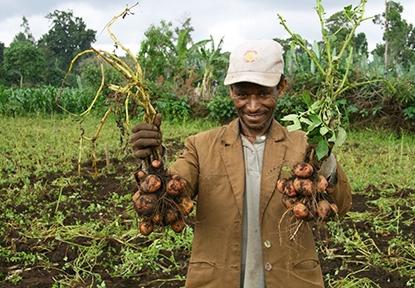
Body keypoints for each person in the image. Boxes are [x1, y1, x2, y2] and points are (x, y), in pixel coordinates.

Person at [130, 39, 352, 288]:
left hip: (290, 280)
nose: (253, 106)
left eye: (264, 93)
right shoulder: (201, 146)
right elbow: (175, 189)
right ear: (230, 91)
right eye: (243, 94)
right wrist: (151, 167)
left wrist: (325, 158)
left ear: (282, 87)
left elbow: (340, 206)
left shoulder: (304, 143)